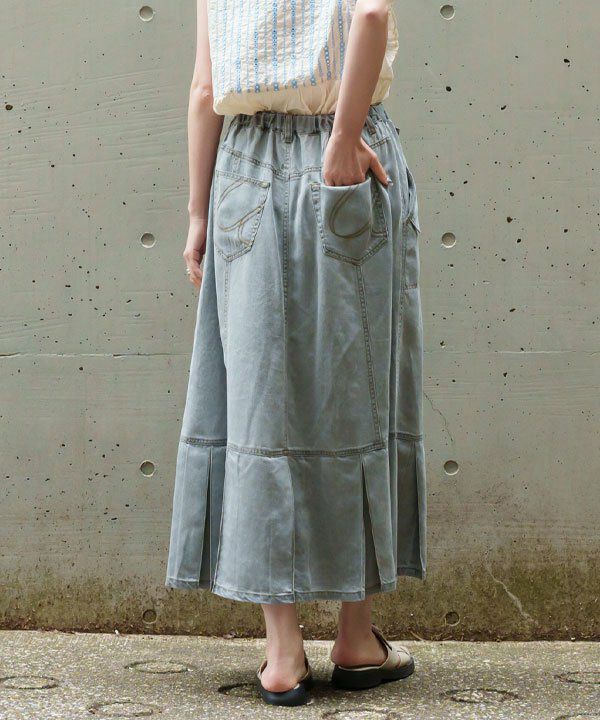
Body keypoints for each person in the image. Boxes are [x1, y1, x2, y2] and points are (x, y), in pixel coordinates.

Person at [165, 0, 426, 707]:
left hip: (242, 165)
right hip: (350, 153)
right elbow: (370, 12)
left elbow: (204, 88)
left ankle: (283, 654)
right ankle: (356, 638)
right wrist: (343, 137)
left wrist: (197, 212)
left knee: (260, 399)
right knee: (360, 389)